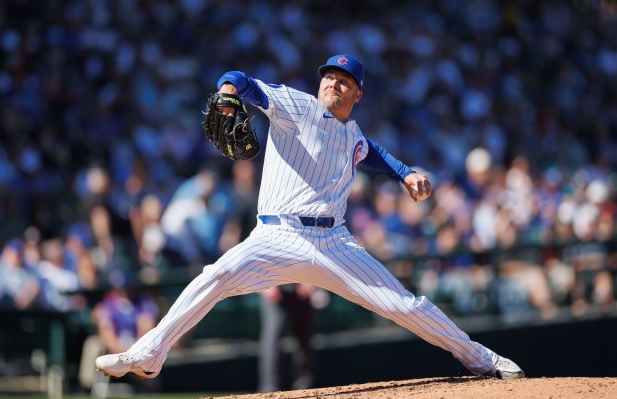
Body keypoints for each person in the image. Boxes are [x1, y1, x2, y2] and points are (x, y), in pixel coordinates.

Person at [96, 54, 524, 382]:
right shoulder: (294, 106)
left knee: (406, 305)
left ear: (358, 95)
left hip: (334, 243)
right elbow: (242, 81)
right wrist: (228, 91)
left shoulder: (352, 133)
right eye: (329, 77)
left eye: (345, 81)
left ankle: (480, 359)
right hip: (276, 236)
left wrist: (405, 173)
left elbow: (372, 152)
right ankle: (149, 354)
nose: (333, 83)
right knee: (214, 276)